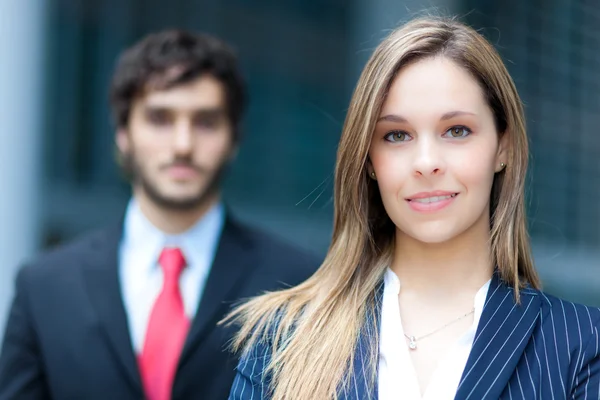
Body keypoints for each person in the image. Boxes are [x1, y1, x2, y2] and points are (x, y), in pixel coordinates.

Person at [226, 16, 600, 400]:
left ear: (502, 147)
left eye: (457, 130)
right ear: (369, 160)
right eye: (397, 135)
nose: (425, 162)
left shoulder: (582, 345)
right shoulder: (283, 337)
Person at [0, 30, 319, 400]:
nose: (182, 144)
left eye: (205, 122)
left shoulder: (297, 284)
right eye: (160, 118)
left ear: (234, 138)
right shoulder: (44, 287)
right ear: (123, 134)